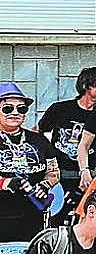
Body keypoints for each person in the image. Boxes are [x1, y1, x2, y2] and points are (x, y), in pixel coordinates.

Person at [35, 67, 96, 221]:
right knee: (56, 218)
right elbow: (38, 133)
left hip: (91, 175)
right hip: (60, 174)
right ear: (86, 86)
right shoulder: (60, 109)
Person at [0, 84, 58, 242]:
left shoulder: (39, 140)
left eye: (21, 109)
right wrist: (5, 183)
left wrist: (45, 185)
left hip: (32, 217)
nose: (15, 113)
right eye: (7, 108)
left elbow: (53, 173)